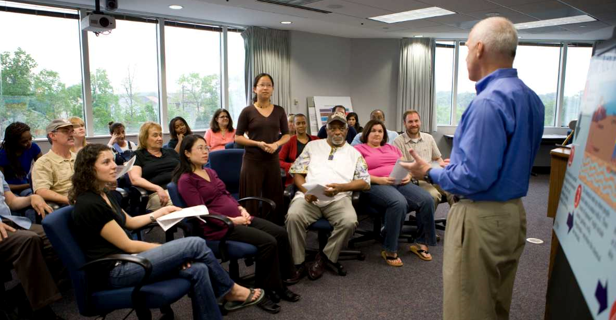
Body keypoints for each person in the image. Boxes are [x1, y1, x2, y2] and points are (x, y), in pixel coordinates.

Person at [401, 17, 544, 320]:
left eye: (466, 48)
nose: (465, 56)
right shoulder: (531, 98)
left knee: (468, 310)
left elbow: (471, 179)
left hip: (480, 219)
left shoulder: (487, 102)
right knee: (495, 306)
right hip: (512, 215)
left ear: (479, 49)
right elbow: (505, 160)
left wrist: (428, 171)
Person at [70, 144, 264, 320]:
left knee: (199, 269)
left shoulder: (104, 194)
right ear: (89, 169)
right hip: (117, 271)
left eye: (113, 160)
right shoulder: (89, 203)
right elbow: (127, 245)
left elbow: (129, 222)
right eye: (106, 162)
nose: (114, 166)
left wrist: (161, 211)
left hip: (130, 260)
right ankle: (230, 290)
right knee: (194, 244)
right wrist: (170, 252)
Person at [175, 135, 301, 314]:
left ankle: (279, 284)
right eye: (200, 148)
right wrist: (234, 221)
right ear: (187, 153)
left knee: (280, 233)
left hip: (238, 218)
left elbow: (225, 194)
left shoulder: (210, 172)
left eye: (206, 148)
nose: (205, 152)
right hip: (219, 226)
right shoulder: (186, 180)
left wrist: (241, 208)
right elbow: (201, 212)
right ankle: (264, 291)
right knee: (268, 242)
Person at [286, 112, 370, 281]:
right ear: (327, 130)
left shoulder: (354, 153)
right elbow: (296, 172)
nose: (337, 132)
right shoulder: (313, 146)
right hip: (310, 197)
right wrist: (305, 191)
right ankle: (298, 263)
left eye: (341, 128)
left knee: (349, 221)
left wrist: (341, 187)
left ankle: (325, 257)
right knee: (293, 216)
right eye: (333, 128)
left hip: (339, 199)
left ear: (347, 130)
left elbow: (365, 182)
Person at [355, 120, 436, 266]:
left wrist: (409, 176)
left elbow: (407, 165)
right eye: (373, 130)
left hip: (399, 182)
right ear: (366, 133)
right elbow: (355, 174)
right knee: (398, 203)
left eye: (380, 131)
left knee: (427, 199)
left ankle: (421, 243)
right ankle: (390, 249)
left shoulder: (391, 148)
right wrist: (379, 180)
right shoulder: (358, 149)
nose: (377, 134)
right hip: (375, 185)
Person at [1, 170, 63, 319]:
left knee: (60, 238)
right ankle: (40, 311)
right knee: (28, 240)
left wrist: (31, 198)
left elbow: (11, 202)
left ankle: (22, 298)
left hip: (10, 222)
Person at [235, 73, 290, 225]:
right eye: (261, 84)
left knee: (274, 197)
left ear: (272, 89)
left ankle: (273, 229)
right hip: (252, 160)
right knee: (250, 198)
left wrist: (276, 144)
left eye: (268, 85)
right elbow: (238, 137)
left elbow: (286, 135)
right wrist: (257, 143)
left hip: (272, 160)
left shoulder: (279, 111)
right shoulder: (247, 111)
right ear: (254, 89)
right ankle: (249, 227)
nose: (265, 88)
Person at [393, 110, 454, 208]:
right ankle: (425, 222)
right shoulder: (398, 141)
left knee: (454, 191)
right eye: (410, 121)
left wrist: (442, 167)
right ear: (405, 123)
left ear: (420, 122)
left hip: (433, 174)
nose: (414, 124)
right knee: (433, 196)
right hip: (416, 179)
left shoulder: (429, 138)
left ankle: (454, 222)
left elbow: (437, 158)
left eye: (416, 121)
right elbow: (402, 167)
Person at [129, 122, 179, 211]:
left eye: (160, 135)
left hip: (181, 188)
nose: (159, 138)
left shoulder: (171, 152)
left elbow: (187, 169)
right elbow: (135, 179)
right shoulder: (138, 155)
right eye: (155, 135)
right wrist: (157, 188)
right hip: (158, 194)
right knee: (178, 205)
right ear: (145, 138)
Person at [32, 119, 76, 207]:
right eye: (66, 131)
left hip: (85, 200)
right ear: (52, 135)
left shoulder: (78, 157)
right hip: (66, 204)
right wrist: (70, 200)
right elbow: (41, 191)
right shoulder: (44, 162)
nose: (71, 134)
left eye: (72, 131)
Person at [0, 122, 43, 196]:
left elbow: (44, 167)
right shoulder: (2, 154)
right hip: (8, 190)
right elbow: (2, 186)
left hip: (26, 186)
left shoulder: (33, 147)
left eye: (30, 139)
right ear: (13, 143)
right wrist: (29, 185)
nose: (29, 143)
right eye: (24, 141)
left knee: (37, 198)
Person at [279, 114, 318, 187]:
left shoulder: (316, 140)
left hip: (315, 175)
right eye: (298, 123)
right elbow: (279, 160)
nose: (301, 126)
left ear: (306, 124)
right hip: (296, 177)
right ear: (293, 125)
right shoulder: (289, 141)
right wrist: (291, 165)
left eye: (303, 123)